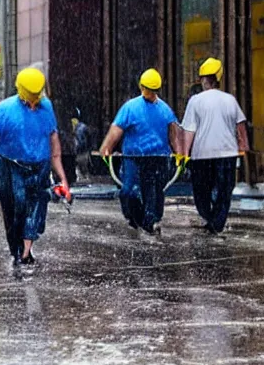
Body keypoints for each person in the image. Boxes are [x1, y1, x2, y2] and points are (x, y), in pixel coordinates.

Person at [0, 67, 70, 266]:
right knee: (13, 211)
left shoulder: (46, 107)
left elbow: (53, 140)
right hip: (9, 166)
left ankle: (26, 252)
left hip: (39, 166)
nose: (35, 103)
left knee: (36, 207)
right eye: (31, 98)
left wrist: (62, 178)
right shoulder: (5, 110)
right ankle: (16, 248)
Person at [99, 68, 181, 236]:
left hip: (157, 157)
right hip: (133, 157)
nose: (148, 93)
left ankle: (150, 222)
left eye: (151, 90)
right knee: (129, 191)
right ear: (141, 86)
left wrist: (179, 154)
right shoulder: (131, 107)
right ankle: (136, 217)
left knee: (153, 192)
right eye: (146, 89)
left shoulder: (165, 110)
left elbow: (173, 134)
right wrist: (106, 148)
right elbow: (116, 130)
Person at [181, 57, 249, 234]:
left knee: (201, 191)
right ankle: (217, 222)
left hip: (202, 154)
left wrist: (183, 153)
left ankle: (210, 218)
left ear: (204, 80)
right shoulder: (230, 100)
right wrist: (244, 147)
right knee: (224, 190)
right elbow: (240, 126)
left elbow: (189, 131)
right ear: (218, 78)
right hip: (227, 152)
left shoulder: (195, 101)